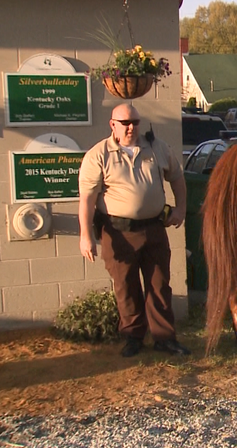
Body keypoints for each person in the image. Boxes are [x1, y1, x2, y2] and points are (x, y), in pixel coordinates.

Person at [78, 103, 191, 358]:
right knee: (126, 287)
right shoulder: (99, 155)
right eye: (125, 123)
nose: (131, 128)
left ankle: (164, 338)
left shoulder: (157, 148)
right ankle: (133, 336)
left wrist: (180, 209)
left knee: (159, 285)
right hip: (118, 233)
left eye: (135, 122)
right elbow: (86, 198)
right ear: (113, 125)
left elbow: (177, 178)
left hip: (153, 229)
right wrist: (85, 236)